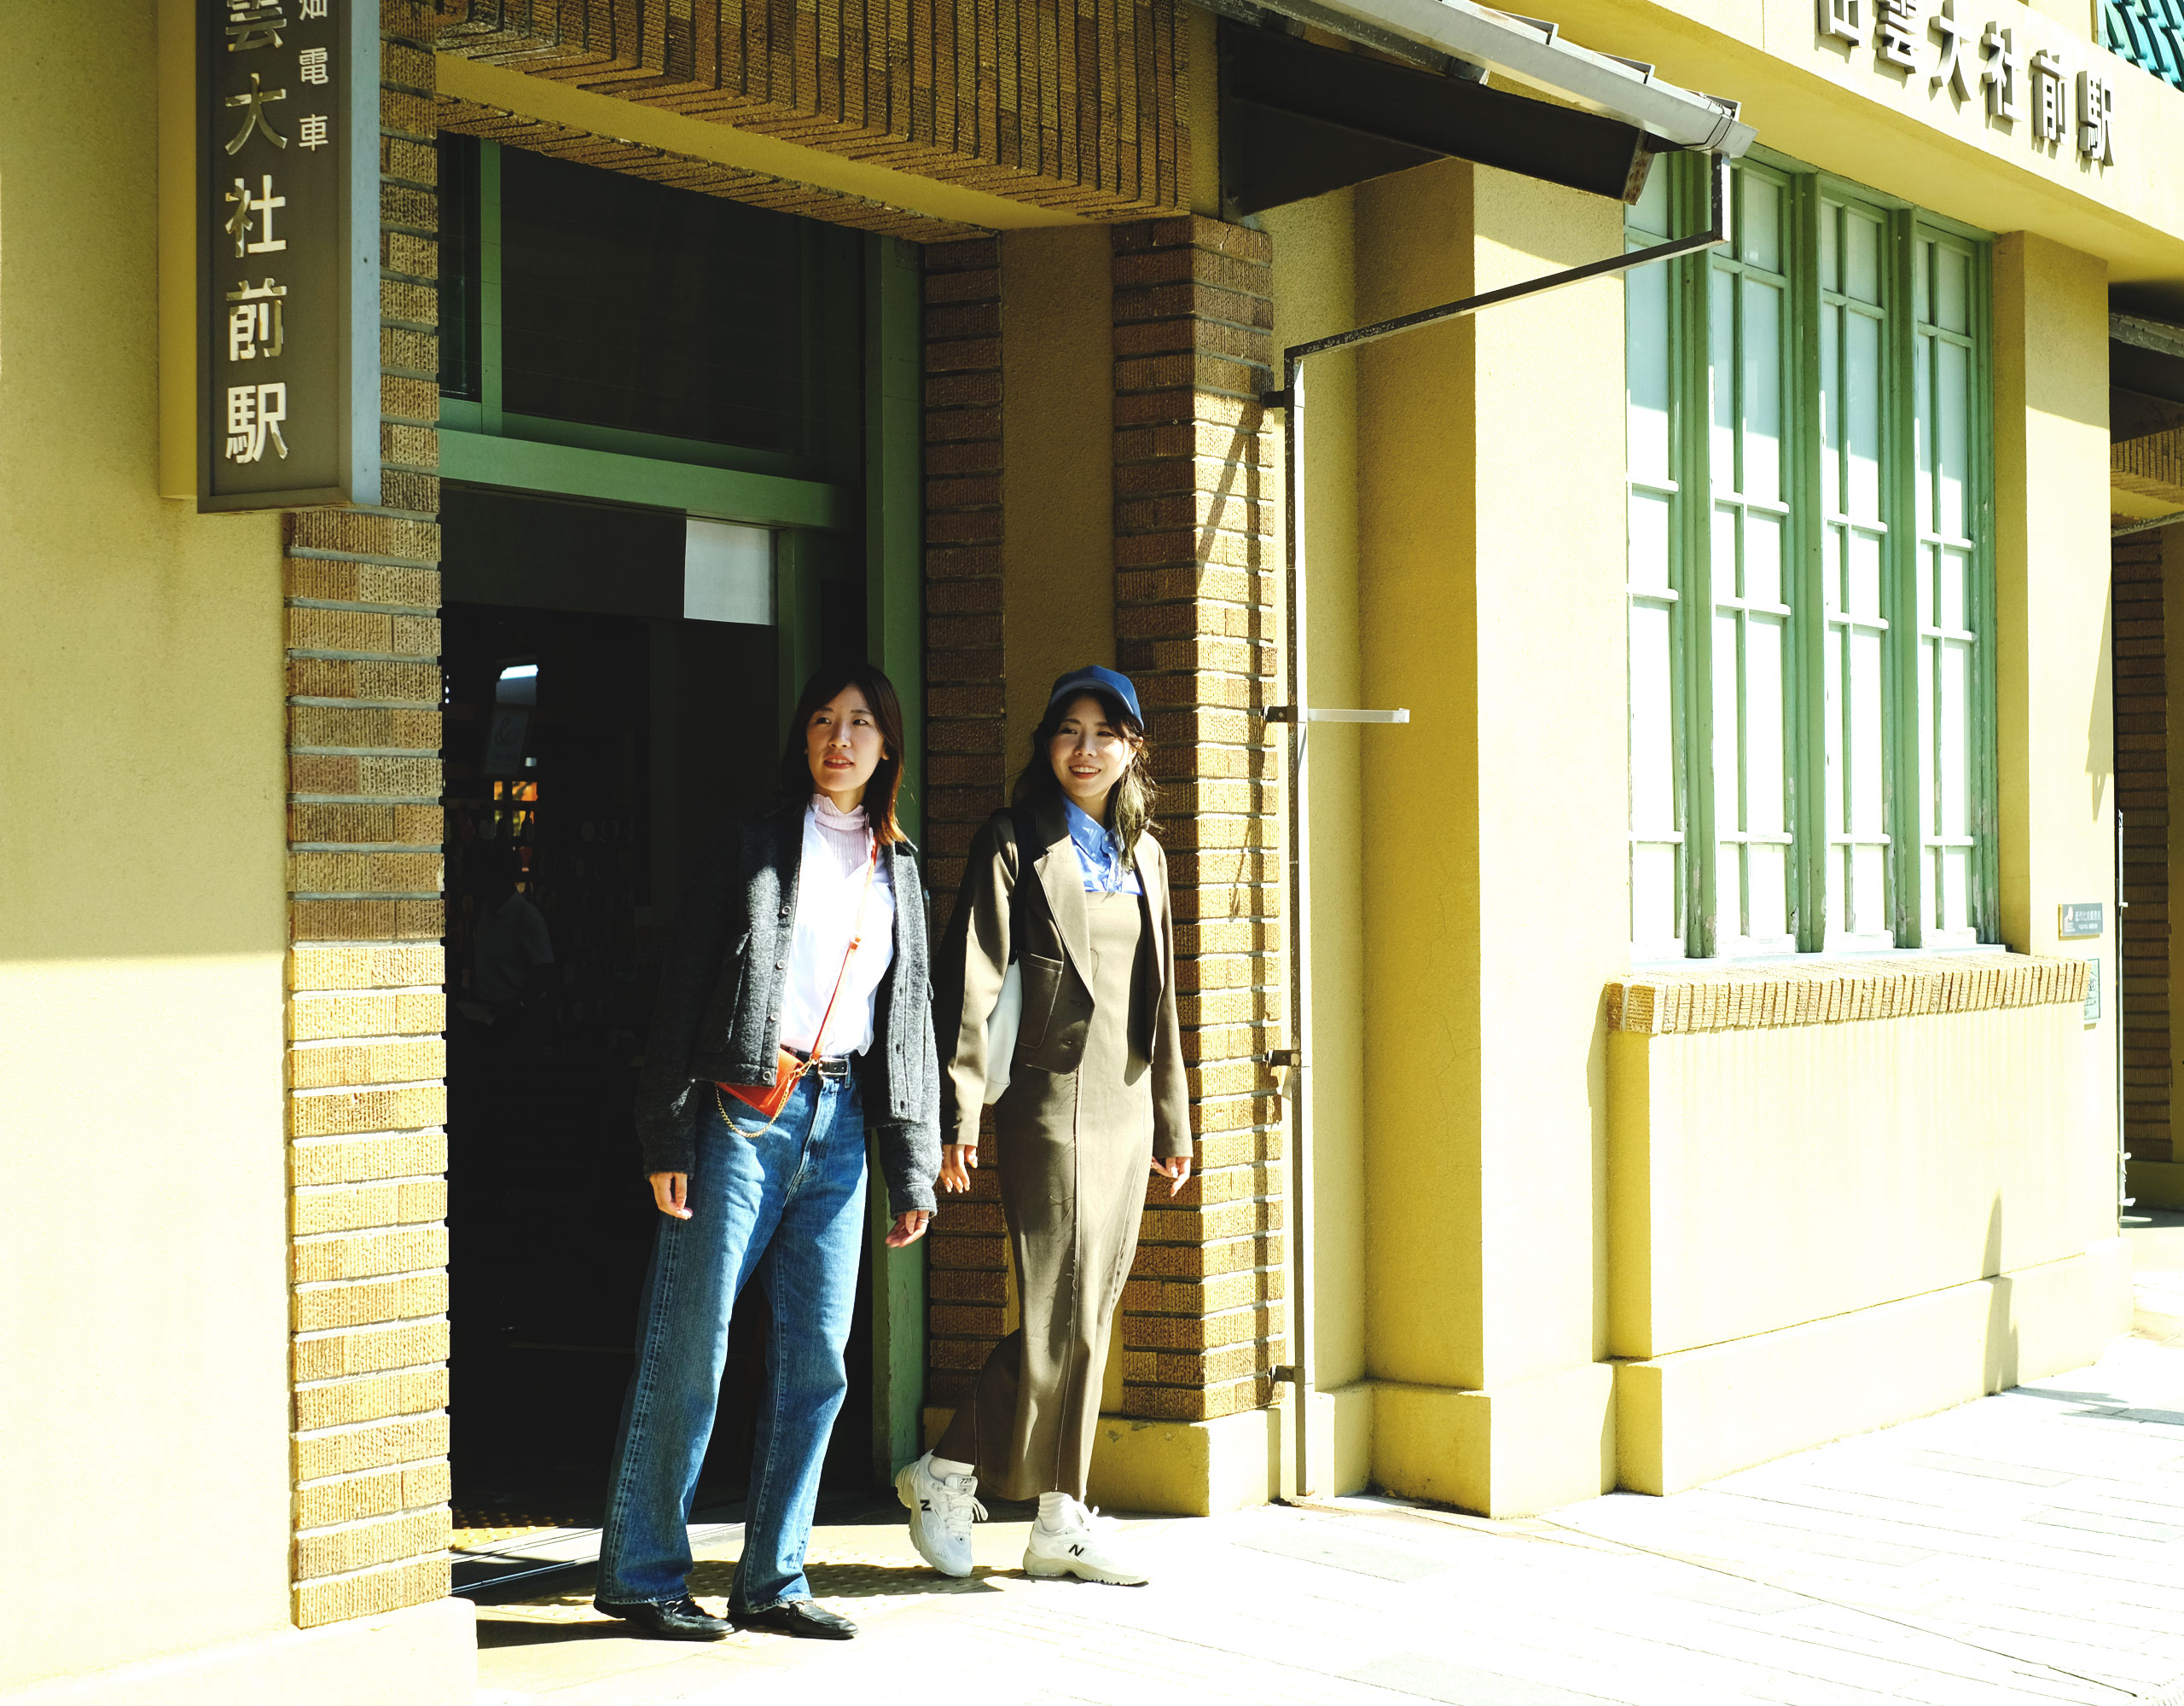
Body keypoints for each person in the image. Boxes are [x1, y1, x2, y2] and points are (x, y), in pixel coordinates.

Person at [595, 662, 940, 1642]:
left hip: (839, 1126)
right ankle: (642, 1572)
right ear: (803, 738)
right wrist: (666, 1127)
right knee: (691, 1342)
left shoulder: (898, 865)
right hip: (743, 1112)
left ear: (887, 747)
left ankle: (774, 1577)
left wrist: (909, 1163)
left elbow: (905, 1017)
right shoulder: (753, 842)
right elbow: (684, 983)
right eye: (824, 720)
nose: (841, 737)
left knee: (816, 1360)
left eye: (861, 722)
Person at [901, 664, 1191, 1586]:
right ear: (1046, 744)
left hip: (1127, 1100)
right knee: (1051, 1311)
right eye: (1067, 729)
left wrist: (1173, 1119)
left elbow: (1164, 1002)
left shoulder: (1144, 854)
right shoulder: (1013, 841)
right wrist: (958, 1110)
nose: (1085, 747)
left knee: (1093, 1309)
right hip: (1046, 1101)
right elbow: (973, 978)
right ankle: (946, 1471)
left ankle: (1060, 1517)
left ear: (1132, 747)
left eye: (1104, 732)